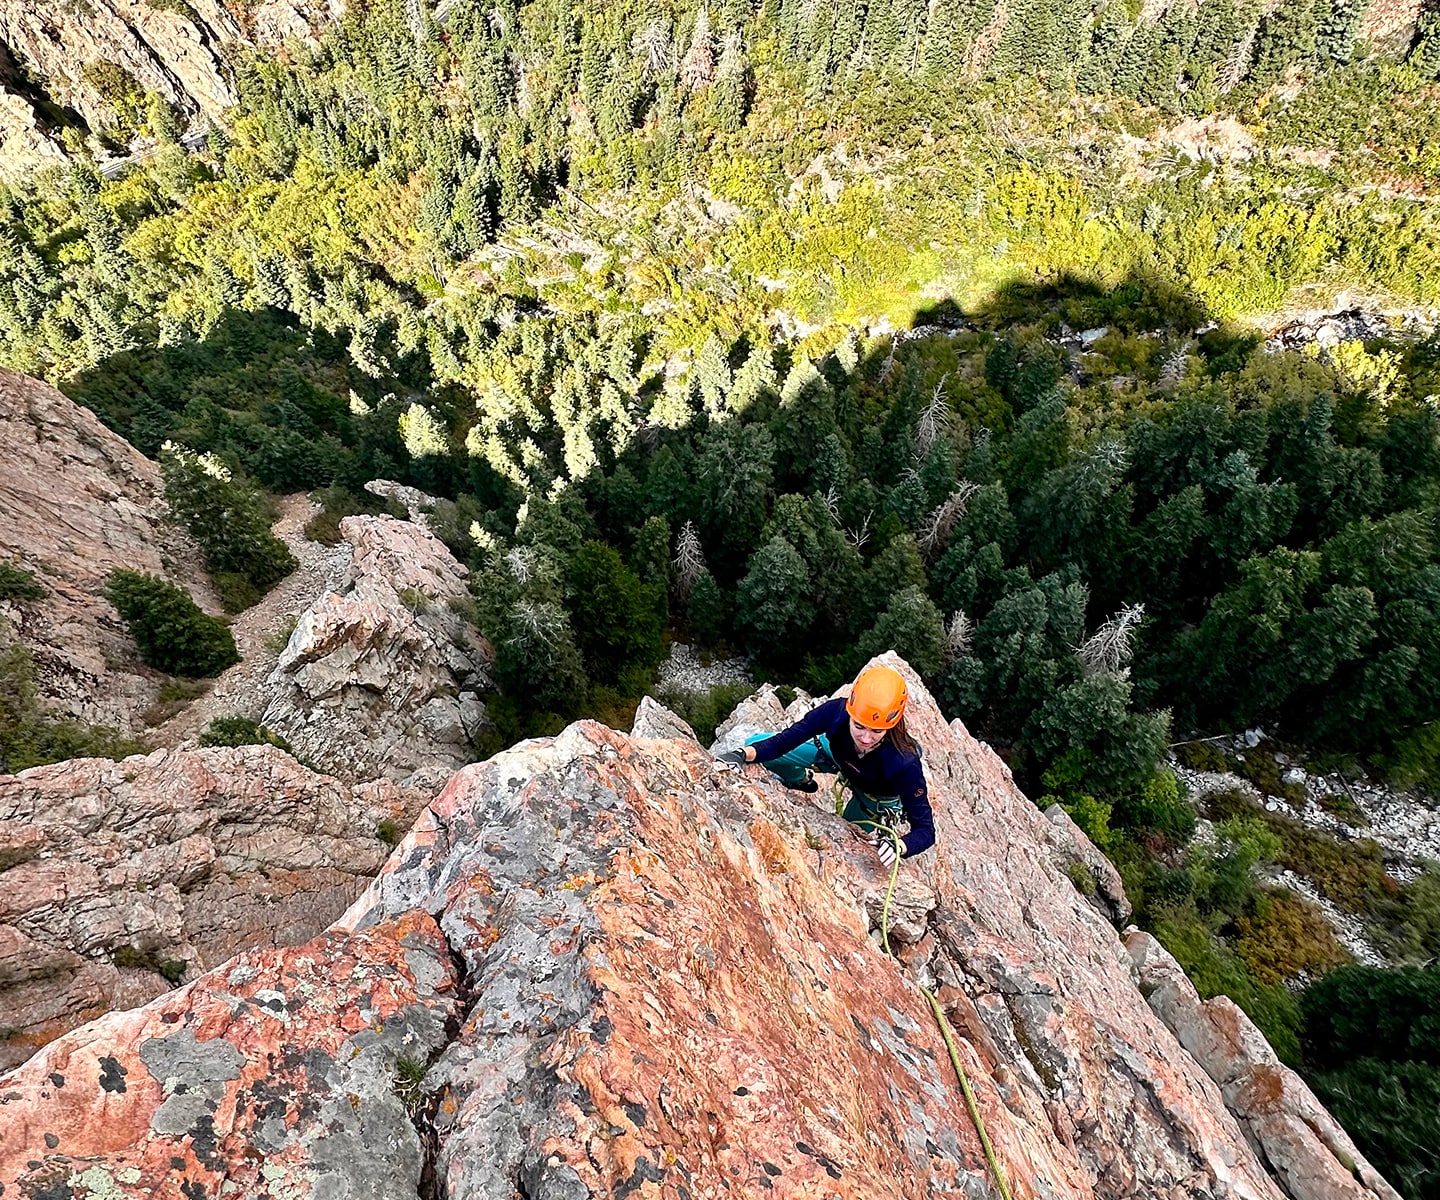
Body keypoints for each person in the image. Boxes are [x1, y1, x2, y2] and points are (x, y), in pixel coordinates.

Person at [716, 664, 935, 865]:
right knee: (754, 745)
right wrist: (740, 754)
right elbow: (784, 741)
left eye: (877, 731)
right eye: (859, 726)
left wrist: (901, 845)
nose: (866, 738)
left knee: (846, 850)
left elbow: (925, 830)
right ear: (850, 712)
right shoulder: (835, 714)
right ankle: (800, 780)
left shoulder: (904, 763)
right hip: (838, 757)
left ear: (892, 725)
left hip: (872, 797)